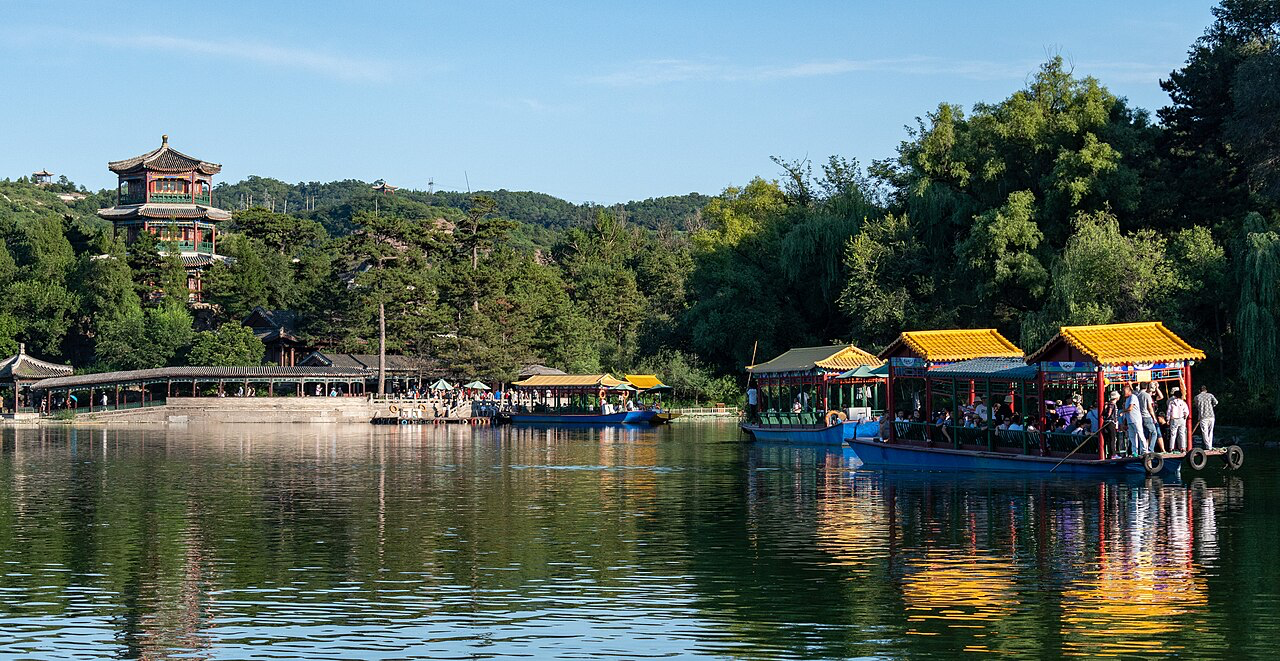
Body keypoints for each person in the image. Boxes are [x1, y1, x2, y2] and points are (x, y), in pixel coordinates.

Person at [1123, 384, 1147, 456]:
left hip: (1136, 420)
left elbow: (1130, 408)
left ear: (1129, 391)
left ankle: (1144, 450)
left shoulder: (1133, 397)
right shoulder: (1127, 399)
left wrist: (1122, 411)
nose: (1123, 393)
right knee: (1132, 437)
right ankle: (1134, 452)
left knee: (1140, 434)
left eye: (1124, 391)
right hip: (1130, 421)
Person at [1166, 388, 1190, 452]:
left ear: (1175, 396)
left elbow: (1169, 412)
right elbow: (1186, 411)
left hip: (1174, 419)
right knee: (1182, 433)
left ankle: (1171, 447)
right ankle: (1183, 447)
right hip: (1182, 419)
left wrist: (1168, 419)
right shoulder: (1183, 403)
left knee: (1173, 434)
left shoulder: (1171, 402)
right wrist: (1185, 416)